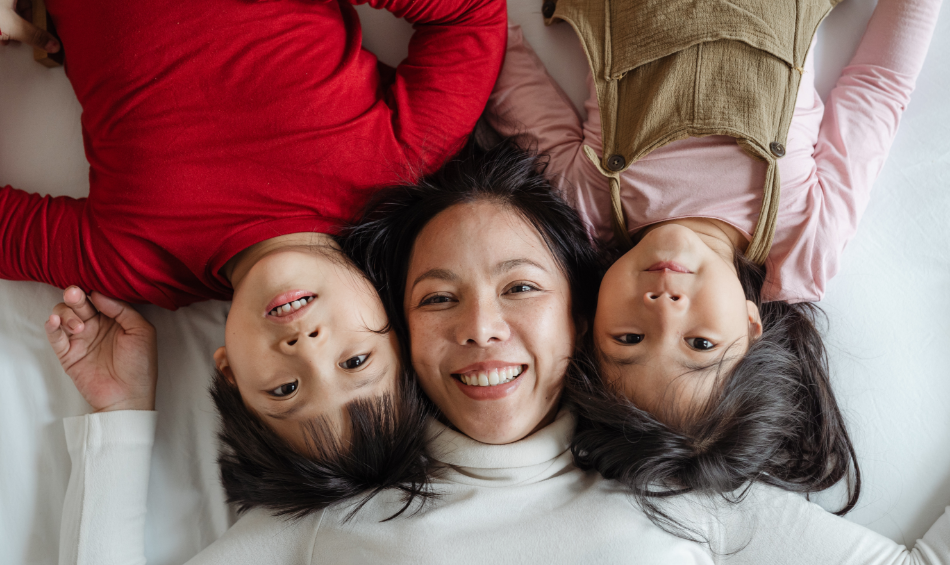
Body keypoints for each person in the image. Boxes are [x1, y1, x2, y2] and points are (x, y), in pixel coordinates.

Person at [53, 141, 950, 564]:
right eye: (437, 298)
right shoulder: (332, 516)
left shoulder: (680, 497)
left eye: (522, 288)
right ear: (396, 337)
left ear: (583, 313)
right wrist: (121, 410)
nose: (481, 327)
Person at [1, 0, 506, 511]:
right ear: (394, 323)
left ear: (229, 374)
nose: (305, 346)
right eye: (355, 361)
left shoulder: (137, 261)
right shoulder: (397, 163)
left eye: (285, 390)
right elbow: (472, 15)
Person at [487, 0, 942, 519]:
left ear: (588, 326)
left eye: (629, 339)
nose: (662, 307)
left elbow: (496, 57)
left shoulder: (588, 205)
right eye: (700, 343)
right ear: (752, 327)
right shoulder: (802, 239)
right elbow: (877, 89)